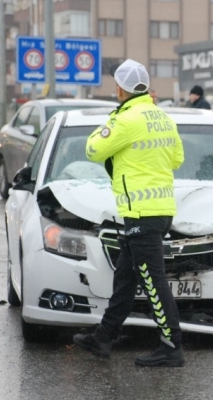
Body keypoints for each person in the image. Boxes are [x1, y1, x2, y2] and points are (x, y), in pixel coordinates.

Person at [73, 59, 186, 367]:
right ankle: (104, 338)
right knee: (126, 277)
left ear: (120, 89)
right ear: (146, 87)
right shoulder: (162, 116)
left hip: (141, 212)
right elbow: (177, 158)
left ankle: (171, 345)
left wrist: (112, 120)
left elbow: (93, 149)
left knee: (152, 280)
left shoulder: (125, 119)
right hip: (159, 209)